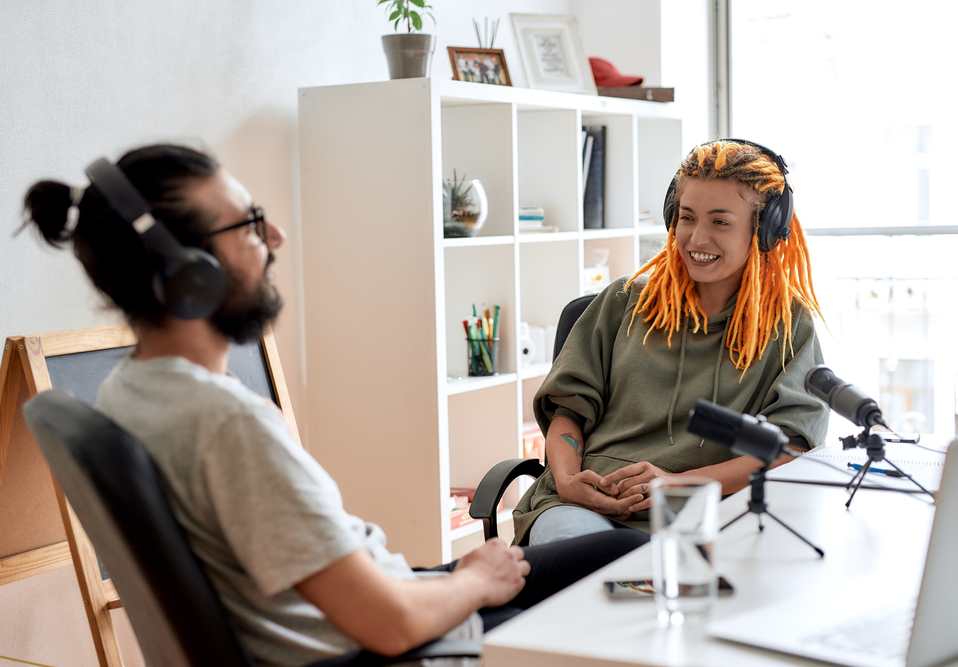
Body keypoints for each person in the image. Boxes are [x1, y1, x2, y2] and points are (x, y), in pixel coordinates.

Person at [22, 144, 648, 667]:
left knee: (623, 557)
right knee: (627, 590)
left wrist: (460, 578)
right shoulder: (224, 426)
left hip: (382, 608)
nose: (276, 236)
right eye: (248, 224)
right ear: (189, 273)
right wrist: (472, 581)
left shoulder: (129, 389)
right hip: (387, 645)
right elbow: (389, 625)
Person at [513, 139, 830, 547]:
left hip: (700, 514)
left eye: (720, 222)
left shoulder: (787, 325)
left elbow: (790, 448)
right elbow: (569, 410)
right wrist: (569, 482)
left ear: (764, 232)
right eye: (686, 218)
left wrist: (677, 484)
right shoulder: (624, 301)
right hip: (582, 507)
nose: (697, 238)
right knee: (585, 558)